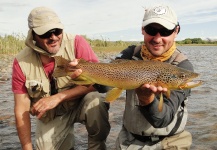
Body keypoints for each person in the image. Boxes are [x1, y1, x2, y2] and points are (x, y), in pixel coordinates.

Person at [71, 5, 193, 150]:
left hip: (170, 142)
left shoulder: (182, 69)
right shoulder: (131, 53)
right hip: (129, 140)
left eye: (165, 31)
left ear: (176, 31)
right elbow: (105, 86)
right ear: (142, 29)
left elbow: (162, 120)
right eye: (151, 30)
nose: (157, 38)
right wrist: (83, 73)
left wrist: (147, 100)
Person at [12, 6, 110, 150]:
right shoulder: (21, 62)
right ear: (33, 35)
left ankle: (97, 146)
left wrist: (59, 97)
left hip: (79, 104)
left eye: (57, 31)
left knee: (96, 100)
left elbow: (99, 82)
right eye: (46, 33)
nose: (53, 37)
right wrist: (27, 147)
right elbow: (21, 109)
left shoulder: (76, 42)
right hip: (51, 116)